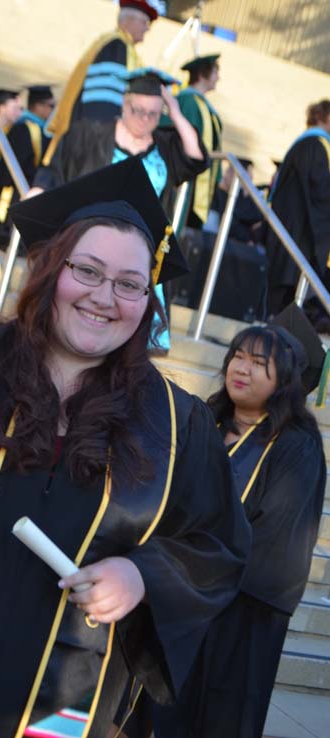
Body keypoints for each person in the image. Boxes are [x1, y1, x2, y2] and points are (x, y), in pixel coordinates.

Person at [0, 157, 250, 738]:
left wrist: (144, 576)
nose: (105, 297)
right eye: (86, 270)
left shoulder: (178, 426)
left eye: (130, 284)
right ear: (49, 268)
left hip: (61, 704)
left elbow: (217, 546)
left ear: (148, 301)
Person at [150, 302, 326, 738]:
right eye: (238, 357)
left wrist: (196, 567)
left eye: (258, 363)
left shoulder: (295, 447)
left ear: (283, 381)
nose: (241, 369)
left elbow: (275, 540)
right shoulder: (205, 420)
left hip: (238, 615)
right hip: (176, 594)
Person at [32, 69, 208, 217]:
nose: (145, 119)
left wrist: (175, 111)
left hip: (140, 245)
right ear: (125, 104)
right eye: (138, 110)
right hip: (87, 232)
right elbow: (55, 167)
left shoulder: (164, 147)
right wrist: (40, 188)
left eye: (153, 114)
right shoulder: (89, 135)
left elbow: (196, 157)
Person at [44, 0, 158, 161]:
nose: (147, 28)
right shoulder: (115, 46)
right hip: (91, 144)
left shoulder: (114, 44)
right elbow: (104, 104)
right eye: (144, 22)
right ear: (128, 20)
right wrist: (104, 146)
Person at [265, 99, 330, 332]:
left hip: (297, 228)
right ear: (325, 117)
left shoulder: (309, 144)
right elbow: (321, 192)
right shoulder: (314, 145)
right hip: (300, 231)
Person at [168, 54, 222, 229]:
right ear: (202, 74)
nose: (218, 77)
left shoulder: (203, 105)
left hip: (197, 181)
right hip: (185, 179)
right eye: (215, 72)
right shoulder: (189, 101)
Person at [210, 158, 263, 244]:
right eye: (228, 171)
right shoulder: (219, 195)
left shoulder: (252, 200)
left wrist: (246, 192)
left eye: (230, 171)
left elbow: (257, 222)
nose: (225, 175)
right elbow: (230, 224)